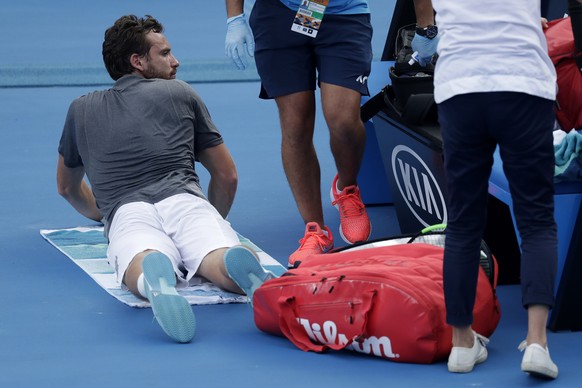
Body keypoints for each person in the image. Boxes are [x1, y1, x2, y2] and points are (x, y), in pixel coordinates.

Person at [57, 14, 256, 343]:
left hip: (126, 210)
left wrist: (101, 211)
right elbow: (227, 176)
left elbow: (66, 187)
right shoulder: (180, 92)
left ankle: (155, 279)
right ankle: (231, 266)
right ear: (138, 62)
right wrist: (213, 217)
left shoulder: (81, 109)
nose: (175, 61)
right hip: (185, 200)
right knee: (214, 250)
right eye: (164, 54)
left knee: (140, 254)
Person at [426, 0, 560, 379]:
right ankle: (537, 342)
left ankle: (461, 343)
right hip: (523, 82)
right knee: (536, 219)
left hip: (460, 86)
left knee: (464, 223)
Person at [224, 0, 373, 267]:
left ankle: (346, 189)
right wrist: (234, 19)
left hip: (343, 16)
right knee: (295, 124)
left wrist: (425, 28)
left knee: (344, 122)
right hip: (279, 14)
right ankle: (315, 230)